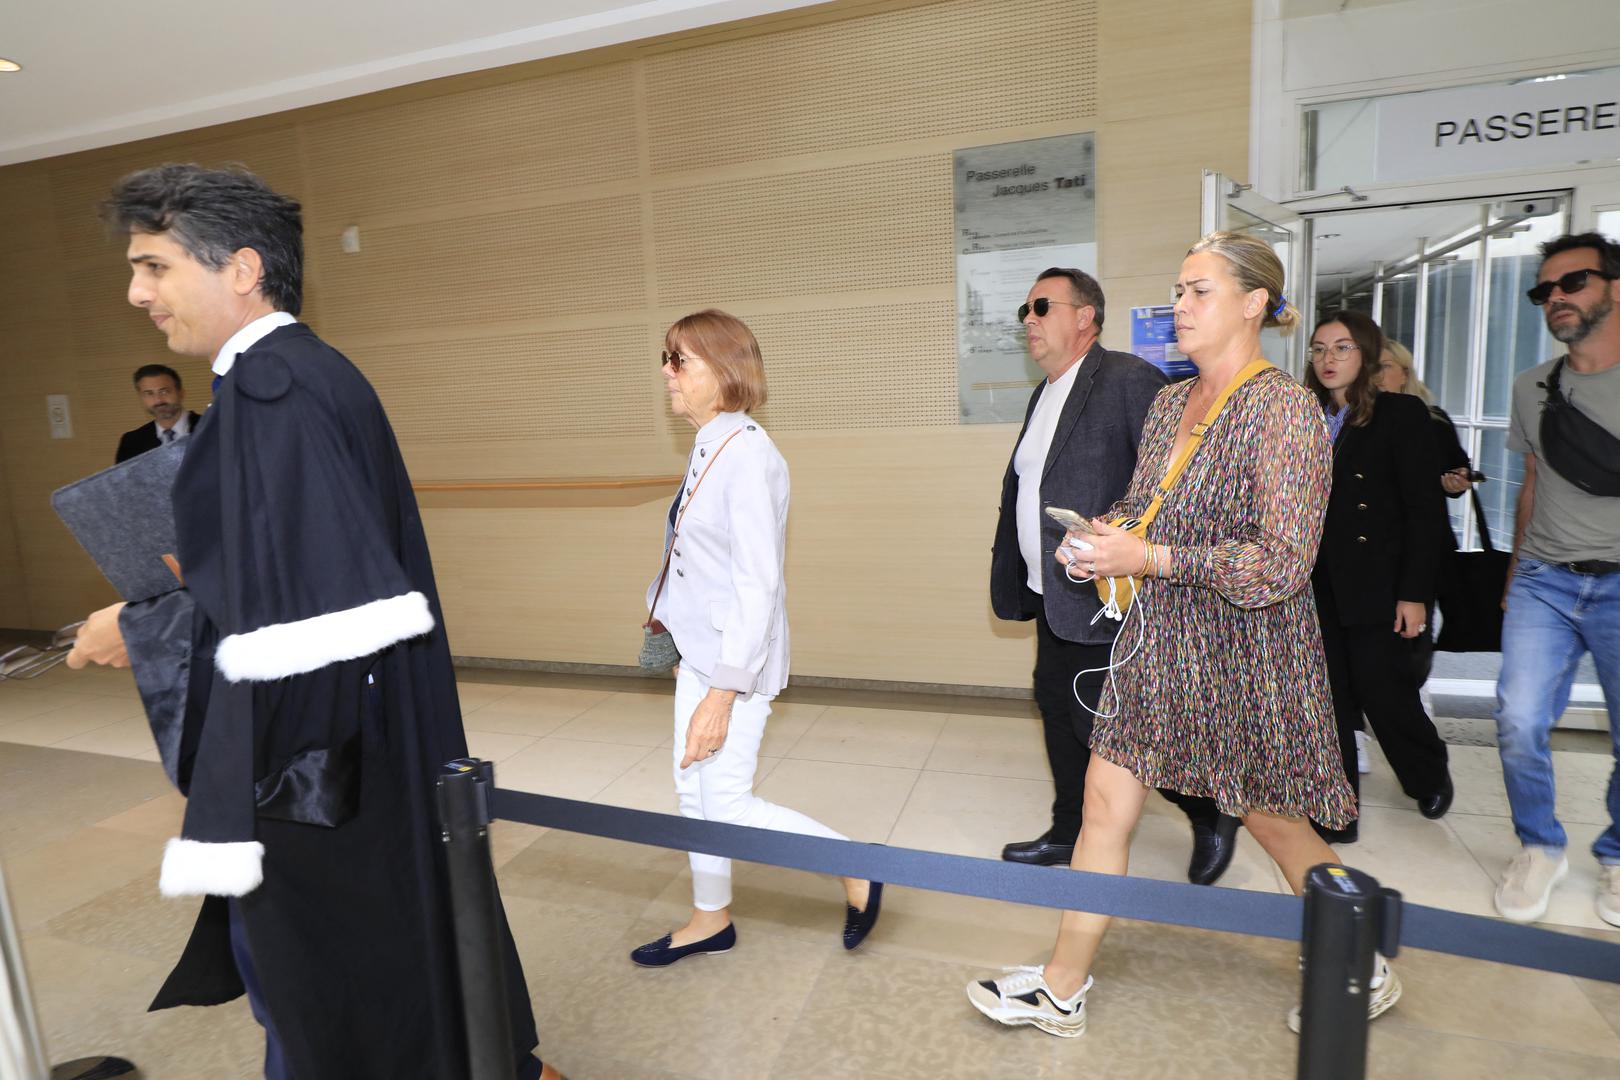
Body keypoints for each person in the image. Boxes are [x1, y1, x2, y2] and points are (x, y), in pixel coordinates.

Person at [64, 165, 557, 1080]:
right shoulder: (300, 374)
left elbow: (309, 624)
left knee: (326, 972)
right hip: (359, 742)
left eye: (154, 267)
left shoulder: (271, 393)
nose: (136, 294)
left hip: (314, 769)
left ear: (241, 268)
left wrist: (132, 632)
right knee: (395, 936)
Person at [965, 231, 1399, 1038]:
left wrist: (1151, 555)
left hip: (1245, 653)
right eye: (1179, 289)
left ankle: (1363, 957)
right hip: (1158, 645)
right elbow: (1143, 507)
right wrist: (1098, 537)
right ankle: (1062, 987)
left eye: (1200, 290)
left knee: (1272, 820)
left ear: (1253, 304)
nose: (1181, 305)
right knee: (1103, 804)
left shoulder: (1283, 409)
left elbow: (1283, 563)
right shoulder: (1170, 403)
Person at [632, 309, 880, 966]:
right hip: (701, 652)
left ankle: (857, 869)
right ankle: (710, 917)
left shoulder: (748, 455)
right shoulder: (714, 442)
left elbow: (757, 585)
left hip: (732, 664)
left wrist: (722, 693)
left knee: (730, 805)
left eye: (679, 359)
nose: (667, 370)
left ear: (724, 370)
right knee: (695, 791)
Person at [989, 268, 1234, 885]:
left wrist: (1129, 542)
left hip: (1111, 598)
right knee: (1054, 705)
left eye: (1042, 306)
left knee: (1114, 727)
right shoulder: (1045, 391)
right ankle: (1069, 830)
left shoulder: (1127, 379)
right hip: (1056, 594)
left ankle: (1208, 812)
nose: (1029, 318)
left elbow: (1171, 486)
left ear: (1085, 317)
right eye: (1026, 308)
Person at [1493, 231, 1620, 927]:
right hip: (1546, 579)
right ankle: (1540, 845)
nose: (1556, 299)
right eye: (1545, 291)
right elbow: (1533, 483)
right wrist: (1516, 575)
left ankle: (1619, 850)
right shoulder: (1532, 386)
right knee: (1517, 719)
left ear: (1615, 288)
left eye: (1573, 283)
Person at [1306, 311, 1453, 840]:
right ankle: (1337, 811)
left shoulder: (1401, 413)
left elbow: (1424, 511)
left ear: (1366, 355)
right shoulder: (1304, 415)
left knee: (1384, 693)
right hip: (1314, 582)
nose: (1328, 359)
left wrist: (1414, 594)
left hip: (1377, 581)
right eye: (1319, 349)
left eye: (1342, 348)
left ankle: (1427, 772)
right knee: (1328, 699)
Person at [1376, 340, 1477, 694]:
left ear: (1404, 373)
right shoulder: (1351, 420)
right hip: (1370, 550)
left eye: (1385, 365)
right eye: (1371, 365)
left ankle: (1408, 711)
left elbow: (1458, 472)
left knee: (1412, 643)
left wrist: (1454, 483)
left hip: (1420, 549)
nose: (1376, 374)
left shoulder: (1432, 421)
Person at [114, 363, 202, 462]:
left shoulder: (212, 428)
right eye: (149, 393)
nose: (158, 400)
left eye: (164, 391)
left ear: (181, 393)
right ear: (141, 398)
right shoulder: (131, 442)